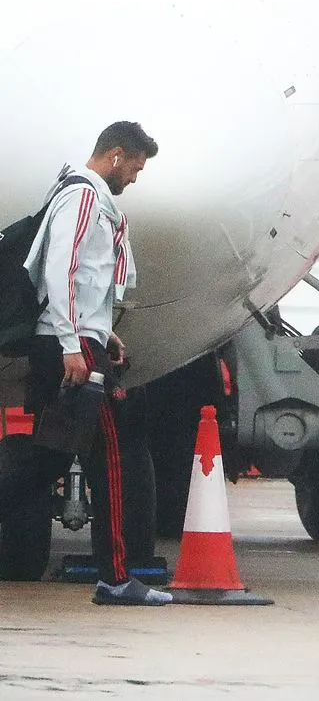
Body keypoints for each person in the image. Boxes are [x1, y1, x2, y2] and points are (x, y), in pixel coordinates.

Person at [0, 122, 169, 605]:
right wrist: (75, 343)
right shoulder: (85, 198)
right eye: (135, 167)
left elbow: (86, 284)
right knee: (111, 457)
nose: (135, 178)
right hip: (69, 350)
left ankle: (115, 578)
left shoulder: (86, 199)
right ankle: (115, 579)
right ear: (115, 155)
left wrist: (102, 330)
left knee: (43, 459)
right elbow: (62, 267)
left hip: (76, 341)